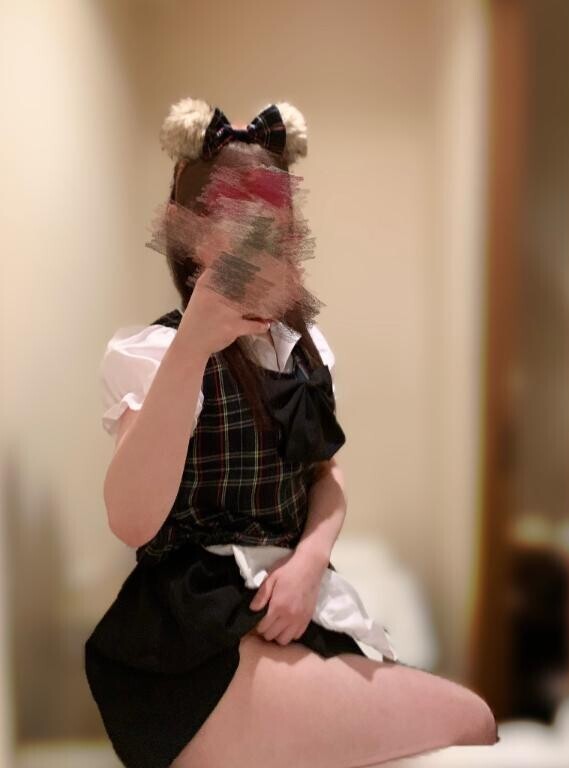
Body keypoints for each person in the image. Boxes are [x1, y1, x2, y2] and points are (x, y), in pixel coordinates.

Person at [84, 98, 499, 768]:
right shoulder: (152, 355)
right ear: (195, 239)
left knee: (472, 720)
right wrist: (193, 345)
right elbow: (132, 521)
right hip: (192, 637)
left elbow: (326, 478)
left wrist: (309, 562)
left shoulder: (303, 350)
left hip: (294, 604)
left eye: (278, 233)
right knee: (468, 720)